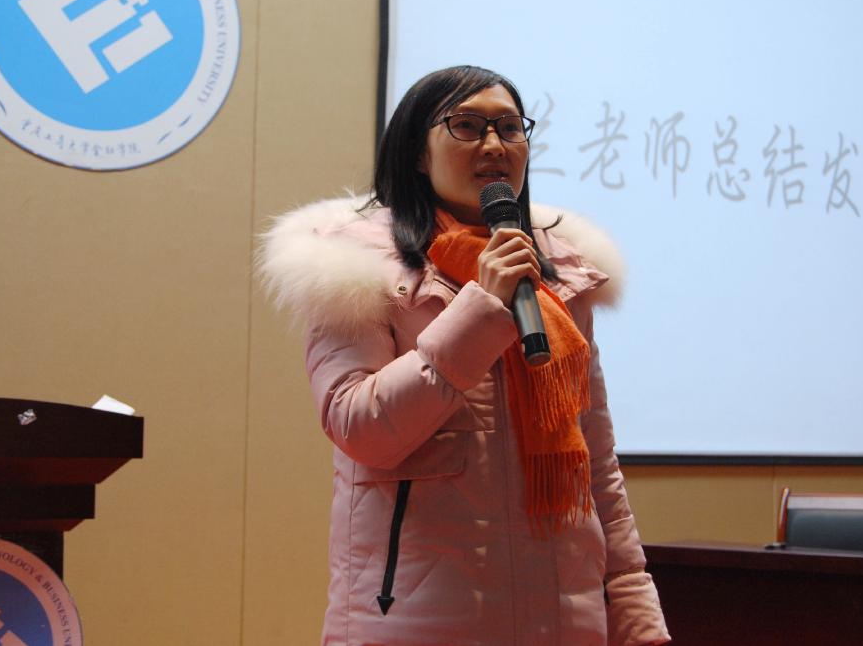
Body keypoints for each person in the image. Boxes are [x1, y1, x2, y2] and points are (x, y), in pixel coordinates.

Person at [259, 65, 670, 646]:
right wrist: (480, 309)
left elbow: (596, 465)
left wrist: (633, 609)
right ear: (417, 153)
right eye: (468, 126)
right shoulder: (356, 267)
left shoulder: (557, 273)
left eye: (510, 128)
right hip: (416, 619)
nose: (495, 145)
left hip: (561, 617)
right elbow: (358, 427)